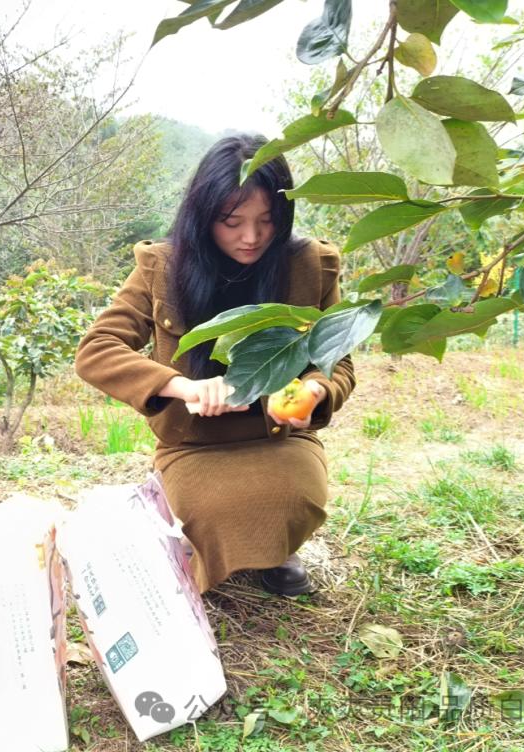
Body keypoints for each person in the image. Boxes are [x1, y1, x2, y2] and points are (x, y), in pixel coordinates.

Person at [75, 134, 355, 598]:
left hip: (279, 436)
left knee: (295, 496)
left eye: (267, 221)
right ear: (204, 216)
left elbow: (337, 360)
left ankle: (279, 549)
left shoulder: (311, 266)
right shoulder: (161, 267)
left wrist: (315, 391)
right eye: (232, 221)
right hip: (194, 444)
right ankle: (198, 545)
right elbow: (98, 349)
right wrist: (180, 386)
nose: (251, 237)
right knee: (204, 509)